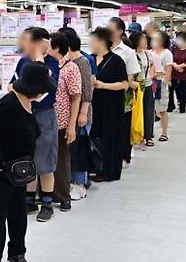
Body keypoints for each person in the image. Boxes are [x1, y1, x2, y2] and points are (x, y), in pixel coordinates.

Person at [0, 62, 55, 262]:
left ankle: (17, 253)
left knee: (18, 215)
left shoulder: (29, 104)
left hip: (20, 172)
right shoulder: (7, 106)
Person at [11, 27, 59, 222]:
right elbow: (12, 85)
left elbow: (43, 87)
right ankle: (29, 200)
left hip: (45, 115)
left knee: (46, 161)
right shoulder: (22, 61)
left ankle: (47, 202)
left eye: (27, 40)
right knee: (27, 158)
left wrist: (39, 56)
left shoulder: (52, 63)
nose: (23, 44)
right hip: (25, 115)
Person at [90, 27, 129, 182]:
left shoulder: (116, 60)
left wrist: (103, 85)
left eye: (93, 40)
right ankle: (96, 166)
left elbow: (124, 84)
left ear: (101, 41)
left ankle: (109, 171)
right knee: (94, 136)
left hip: (111, 106)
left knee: (110, 137)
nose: (90, 43)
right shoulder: (90, 58)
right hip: (94, 104)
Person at [48, 33, 81, 212]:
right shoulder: (47, 66)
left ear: (56, 48)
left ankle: (63, 196)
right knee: (45, 159)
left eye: (48, 46)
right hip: (44, 120)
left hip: (61, 121)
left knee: (61, 159)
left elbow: (76, 97)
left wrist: (71, 125)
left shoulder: (70, 68)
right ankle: (46, 193)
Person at [61, 29, 94, 200]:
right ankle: (72, 181)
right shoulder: (65, 63)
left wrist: (83, 113)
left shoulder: (83, 62)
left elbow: (87, 91)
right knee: (71, 149)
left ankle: (80, 183)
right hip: (70, 114)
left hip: (82, 113)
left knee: (80, 148)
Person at [107, 17, 141, 169]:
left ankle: (121, 157)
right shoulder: (102, 48)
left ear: (120, 31)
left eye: (111, 29)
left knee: (121, 129)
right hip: (102, 97)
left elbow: (130, 79)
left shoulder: (128, 52)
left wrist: (109, 85)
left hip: (122, 98)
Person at [129, 31, 155, 147]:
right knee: (136, 112)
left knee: (148, 112)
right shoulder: (131, 54)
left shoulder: (148, 54)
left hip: (147, 85)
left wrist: (151, 77)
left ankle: (148, 136)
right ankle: (136, 135)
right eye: (143, 40)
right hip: (135, 87)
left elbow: (152, 67)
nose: (145, 42)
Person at [151, 31, 173, 142]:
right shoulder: (151, 52)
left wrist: (165, 83)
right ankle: (150, 133)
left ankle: (164, 133)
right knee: (151, 109)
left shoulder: (167, 53)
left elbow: (169, 69)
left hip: (161, 83)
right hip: (151, 82)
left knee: (162, 109)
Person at [168, 31, 186, 114]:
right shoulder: (173, 47)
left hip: (185, 72)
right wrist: (175, 65)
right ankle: (171, 105)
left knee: (183, 90)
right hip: (174, 72)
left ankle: (182, 105)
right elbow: (169, 57)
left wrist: (181, 66)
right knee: (172, 89)